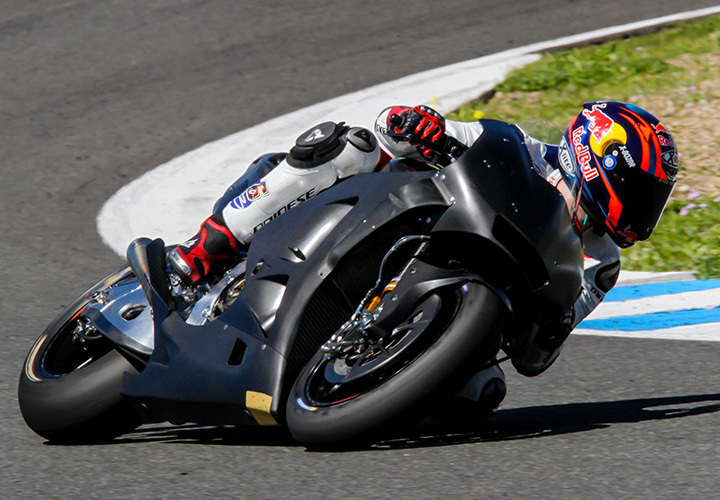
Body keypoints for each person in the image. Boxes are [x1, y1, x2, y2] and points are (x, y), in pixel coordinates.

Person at [166, 100, 678, 408]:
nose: (640, 211)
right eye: (638, 190)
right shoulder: (519, 146)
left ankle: (356, 386)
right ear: (598, 160)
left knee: (480, 396)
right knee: (352, 145)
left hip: (458, 308)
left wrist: (555, 324)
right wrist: (420, 125)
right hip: (383, 224)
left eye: (650, 199)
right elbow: (392, 124)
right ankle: (200, 255)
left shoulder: (603, 261)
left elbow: (534, 361)